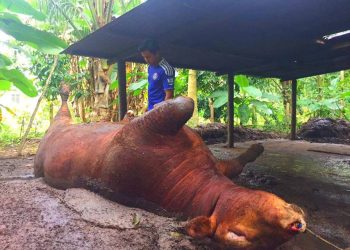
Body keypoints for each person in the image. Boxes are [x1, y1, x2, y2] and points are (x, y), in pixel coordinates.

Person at [138, 39, 175, 111]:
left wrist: (161, 113)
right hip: (150, 109)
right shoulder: (150, 67)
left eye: (148, 57)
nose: (146, 60)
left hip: (160, 112)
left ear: (157, 53)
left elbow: (169, 96)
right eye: (144, 57)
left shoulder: (166, 69)